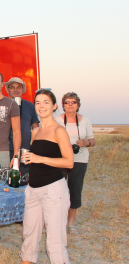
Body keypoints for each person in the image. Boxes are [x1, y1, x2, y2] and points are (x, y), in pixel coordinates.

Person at [20, 89, 74, 264]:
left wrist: (39, 158)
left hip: (53, 191)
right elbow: (38, 159)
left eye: (46, 102)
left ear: (54, 106)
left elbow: (69, 162)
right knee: (28, 236)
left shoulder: (59, 130)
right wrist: (28, 160)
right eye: (37, 102)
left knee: (55, 242)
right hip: (33, 190)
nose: (41, 106)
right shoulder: (35, 132)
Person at [54, 92, 95, 235]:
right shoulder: (57, 120)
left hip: (79, 159)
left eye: (73, 102)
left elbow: (92, 140)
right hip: (60, 159)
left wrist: (86, 142)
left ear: (78, 105)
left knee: (75, 190)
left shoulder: (85, 120)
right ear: (63, 105)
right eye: (67, 102)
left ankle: (70, 223)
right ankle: (56, 221)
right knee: (56, 191)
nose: (70, 105)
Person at [5, 77, 39, 176]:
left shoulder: (30, 106)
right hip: (5, 150)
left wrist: (35, 148)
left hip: (24, 150)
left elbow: (36, 128)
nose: (15, 90)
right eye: (12, 87)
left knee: (25, 181)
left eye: (18, 87)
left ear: (22, 89)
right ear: (8, 89)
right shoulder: (3, 105)